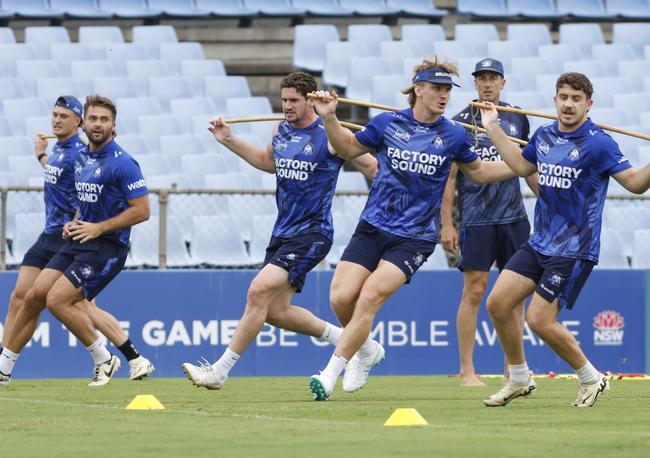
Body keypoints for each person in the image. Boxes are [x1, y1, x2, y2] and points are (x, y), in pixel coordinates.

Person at [308, 57, 524, 401]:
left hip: (415, 238)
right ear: (418, 90)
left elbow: (480, 172)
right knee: (341, 297)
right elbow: (348, 147)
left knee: (369, 297)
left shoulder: (454, 134)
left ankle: (330, 371)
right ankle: (367, 350)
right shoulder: (387, 123)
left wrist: (522, 166)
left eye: (447, 90)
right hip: (373, 225)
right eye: (436, 89)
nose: (443, 95)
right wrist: (330, 117)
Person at [182, 72, 377, 390]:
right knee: (274, 311)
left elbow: (371, 166)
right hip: (283, 233)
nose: (286, 106)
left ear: (311, 100)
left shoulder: (329, 133)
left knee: (257, 291)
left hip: (313, 232)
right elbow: (267, 161)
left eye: (293, 100)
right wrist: (229, 140)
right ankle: (357, 342)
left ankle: (219, 371)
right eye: (283, 100)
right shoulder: (281, 130)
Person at [480, 72, 650, 407]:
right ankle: (518, 377)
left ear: (589, 104)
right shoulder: (543, 136)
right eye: (563, 97)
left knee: (539, 319)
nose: (568, 104)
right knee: (497, 304)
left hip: (574, 249)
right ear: (555, 100)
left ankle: (591, 378)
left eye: (576, 99)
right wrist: (492, 127)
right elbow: (518, 165)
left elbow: (635, 184)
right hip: (539, 242)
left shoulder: (599, 143)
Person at [0, 95, 152, 387]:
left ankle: (106, 358)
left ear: (113, 125)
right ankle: (4, 368)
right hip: (77, 240)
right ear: (85, 122)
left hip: (107, 247)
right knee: (33, 296)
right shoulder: (84, 157)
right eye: (93, 118)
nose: (98, 124)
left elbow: (143, 211)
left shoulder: (124, 163)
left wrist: (98, 228)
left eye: (104, 120)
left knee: (57, 301)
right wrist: (76, 222)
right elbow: (82, 200)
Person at [440, 58, 536, 386]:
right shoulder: (458, 123)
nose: (487, 83)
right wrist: (447, 225)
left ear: (503, 82)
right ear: (475, 83)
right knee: (474, 291)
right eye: (481, 78)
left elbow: (527, 166)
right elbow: (450, 180)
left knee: (516, 293)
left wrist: (548, 200)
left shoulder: (517, 117)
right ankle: (467, 370)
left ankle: (514, 368)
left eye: (493, 77)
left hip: (514, 218)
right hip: (476, 220)